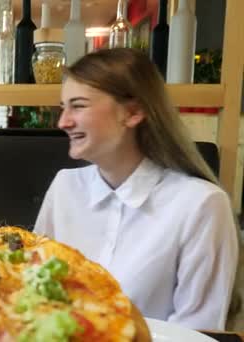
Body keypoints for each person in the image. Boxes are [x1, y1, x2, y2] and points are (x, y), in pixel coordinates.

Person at [33, 48, 239, 330]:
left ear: (133, 112)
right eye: (63, 107)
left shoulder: (203, 205)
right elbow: (34, 296)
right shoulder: (64, 187)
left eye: (78, 106)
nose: (63, 122)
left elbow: (195, 333)